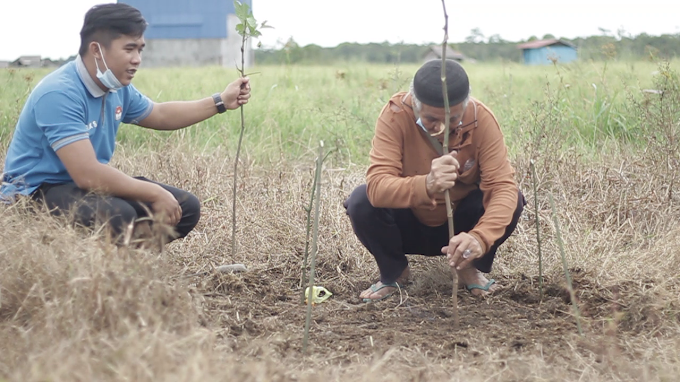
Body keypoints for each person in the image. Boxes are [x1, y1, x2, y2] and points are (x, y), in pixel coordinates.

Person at [0, 3, 251, 243]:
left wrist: (221, 101)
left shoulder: (116, 88)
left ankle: (131, 269)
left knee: (185, 206)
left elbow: (160, 114)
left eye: (140, 49)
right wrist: (154, 192)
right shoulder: (59, 93)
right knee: (120, 215)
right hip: (33, 193)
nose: (137, 59)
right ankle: (98, 272)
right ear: (97, 50)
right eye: (129, 49)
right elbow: (87, 173)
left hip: (79, 188)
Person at [344, 59, 525, 302]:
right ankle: (394, 273)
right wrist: (426, 184)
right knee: (361, 201)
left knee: (514, 199)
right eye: (430, 119)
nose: (441, 128)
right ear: (414, 105)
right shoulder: (396, 114)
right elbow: (377, 187)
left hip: (460, 229)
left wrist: (479, 238)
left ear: (465, 106)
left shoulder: (481, 119)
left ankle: (469, 268)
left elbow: (502, 187)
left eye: (452, 119)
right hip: (407, 225)